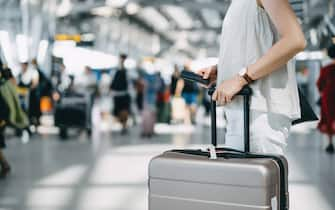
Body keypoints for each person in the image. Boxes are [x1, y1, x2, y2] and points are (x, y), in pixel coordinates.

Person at [197, 0, 306, 154]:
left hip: (259, 113)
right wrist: (222, 71)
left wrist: (242, 77)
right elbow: (255, 47)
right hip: (243, 111)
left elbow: (295, 40)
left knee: (253, 176)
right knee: (243, 176)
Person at [0, 65, 29, 178]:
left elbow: (5, 107)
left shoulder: (3, 86)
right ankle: (5, 165)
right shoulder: (6, 85)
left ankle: (5, 165)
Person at [317, 45, 335, 154]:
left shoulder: (326, 69)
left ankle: (330, 143)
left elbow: (319, 84)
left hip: (328, 97)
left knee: (329, 118)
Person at [110, 54, 131, 135]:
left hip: (125, 94)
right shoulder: (114, 70)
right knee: (118, 112)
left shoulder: (128, 70)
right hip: (116, 95)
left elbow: (130, 82)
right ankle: (122, 125)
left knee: (124, 111)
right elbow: (111, 82)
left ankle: (124, 126)